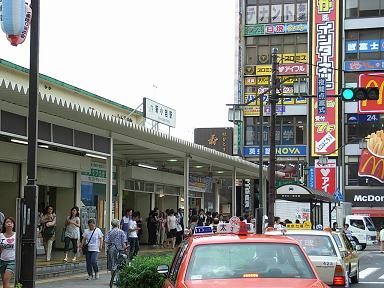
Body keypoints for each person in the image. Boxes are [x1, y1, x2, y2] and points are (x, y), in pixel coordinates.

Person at [0, 217, 16, 288]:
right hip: (2, 260)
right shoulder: (1, 236)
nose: (9, 224)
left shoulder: (16, 235)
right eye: (7, 222)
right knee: (4, 282)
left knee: (6, 280)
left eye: (11, 222)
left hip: (12, 261)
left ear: (13, 225)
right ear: (4, 224)